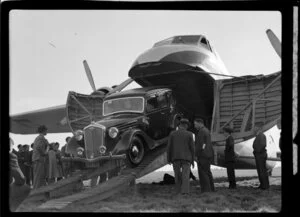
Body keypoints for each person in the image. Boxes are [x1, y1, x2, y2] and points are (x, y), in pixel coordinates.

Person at [167, 118, 195, 195]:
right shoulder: (189, 134)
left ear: (179, 125)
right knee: (185, 175)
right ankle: (185, 192)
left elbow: (169, 147)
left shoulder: (172, 134)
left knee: (177, 175)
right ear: (186, 126)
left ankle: (178, 191)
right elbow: (192, 148)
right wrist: (192, 160)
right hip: (186, 158)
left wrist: (168, 158)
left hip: (175, 158)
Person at [194, 118, 215, 193]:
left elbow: (201, 144)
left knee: (203, 173)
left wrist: (197, 154)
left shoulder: (201, 131)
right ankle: (211, 189)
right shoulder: (207, 130)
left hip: (203, 155)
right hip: (208, 154)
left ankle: (206, 190)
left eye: (195, 124)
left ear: (200, 123)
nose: (195, 126)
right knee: (208, 172)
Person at [32, 125, 50, 189]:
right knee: (38, 176)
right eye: (46, 130)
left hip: (38, 159)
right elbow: (39, 147)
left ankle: (41, 189)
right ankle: (36, 191)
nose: (47, 131)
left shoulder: (39, 137)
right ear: (43, 130)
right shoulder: (41, 138)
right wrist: (44, 153)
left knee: (40, 175)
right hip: (39, 159)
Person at [253, 123, 269, 190]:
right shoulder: (258, 135)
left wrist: (257, 151)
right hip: (259, 155)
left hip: (260, 155)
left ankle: (265, 186)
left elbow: (262, 145)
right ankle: (262, 185)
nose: (253, 129)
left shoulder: (261, 135)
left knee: (262, 171)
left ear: (258, 128)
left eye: (255, 127)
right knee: (260, 171)